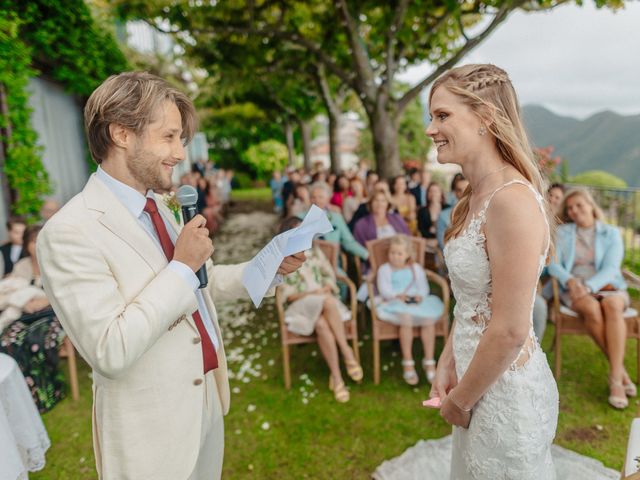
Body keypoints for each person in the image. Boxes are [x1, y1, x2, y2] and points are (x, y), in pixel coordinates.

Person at [36, 72, 305, 480]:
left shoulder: (161, 207)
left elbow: (201, 283)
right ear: (122, 134)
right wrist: (181, 265)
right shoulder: (68, 232)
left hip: (206, 400)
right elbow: (110, 348)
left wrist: (264, 270)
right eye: (169, 137)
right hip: (150, 434)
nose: (180, 153)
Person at [426, 64, 558, 478]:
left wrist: (459, 402)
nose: (431, 129)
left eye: (442, 115)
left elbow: (510, 329)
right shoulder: (474, 195)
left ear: (484, 116)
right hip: (475, 379)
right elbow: (473, 300)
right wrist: (448, 359)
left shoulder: (511, 201)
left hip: (504, 397)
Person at [548, 187, 634, 409]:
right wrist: (570, 281)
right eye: (570, 208)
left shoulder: (611, 233)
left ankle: (616, 378)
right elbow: (553, 263)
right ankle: (620, 374)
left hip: (608, 286)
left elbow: (612, 268)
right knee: (592, 309)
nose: (574, 211)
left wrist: (589, 286)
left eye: (579, 205)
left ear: (591, 206)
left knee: (612, 304)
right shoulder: (564, 232)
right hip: (575, 289)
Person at [278, 217, 363, 403]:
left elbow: (329, 274)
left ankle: (337, 378)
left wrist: (326, 286)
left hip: (323, 305)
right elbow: (287, 295)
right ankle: (347, 351)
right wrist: (315, 292)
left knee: (322, 324)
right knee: (328, 302)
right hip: (300, 306)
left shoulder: (315, 251)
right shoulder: (283, 259)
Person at [0, 224, 66, 412]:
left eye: (39, 240)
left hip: (52, 315)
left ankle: (48, 392)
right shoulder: (22, 266)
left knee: (36, 341)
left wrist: (44, 301)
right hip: (26, 315)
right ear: (26, 244)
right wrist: (24, 302)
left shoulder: (57, 263)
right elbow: (13, 289)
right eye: (32, 241)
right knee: (7, 341)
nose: (35, 245)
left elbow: (66, 293)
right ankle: (22, 395)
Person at [375, 235, 444, 385]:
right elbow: (384, 290)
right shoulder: (385, 269)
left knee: (428, 319)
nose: (395, 257)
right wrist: (397, 296)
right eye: (392, 253)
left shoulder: (415, 268)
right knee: (406, 318)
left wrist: (419, 296)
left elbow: (423, 288)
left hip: (415, 303)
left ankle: (429, 360)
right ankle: (408, 362)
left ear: (407, 254)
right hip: (395, 303)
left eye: (399, 253)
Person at [307, 182, 369, 265]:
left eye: (320, 197)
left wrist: (367, 254)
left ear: (327, 199)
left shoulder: (336, 218)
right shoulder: (300, 218)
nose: (316, 200)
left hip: (332, 265)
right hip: (308, 263)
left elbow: (349, 242)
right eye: (313, 197)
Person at [353, 190, 410, 265]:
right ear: (371, 203)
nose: (379, 204)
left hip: (400, 260)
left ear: (387, 203)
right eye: (376, 200)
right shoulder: (361, 224)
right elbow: (359, 247)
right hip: (375, 263)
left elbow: (408, 239)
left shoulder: (397, 218)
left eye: (383, 200)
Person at [436, 175, 469, 250]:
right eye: (459, 190)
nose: (463, 192)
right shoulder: (443, 215)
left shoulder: (480, 212)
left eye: (466, 189)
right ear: (455, 192)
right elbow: (442, 243)